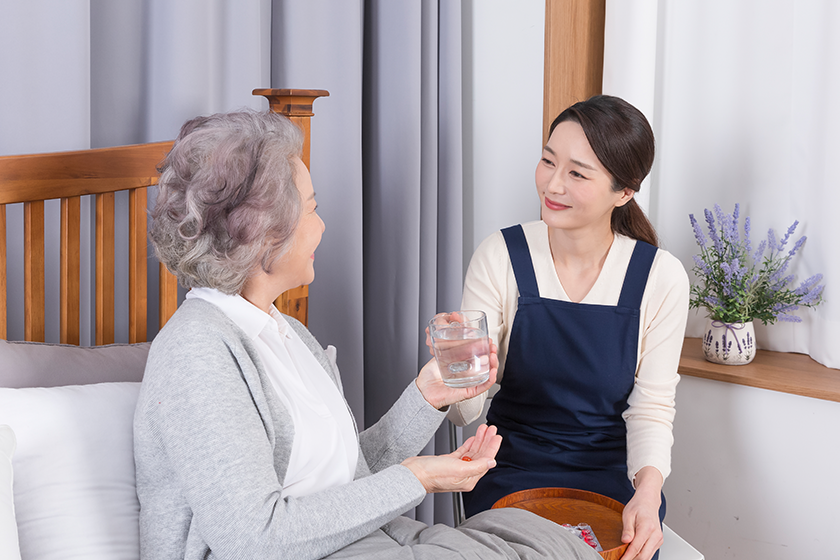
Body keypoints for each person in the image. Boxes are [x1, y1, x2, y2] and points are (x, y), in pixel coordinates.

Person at [134, 109, 601, 560]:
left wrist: (427, 396)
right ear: (263, 232)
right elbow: (255, 540)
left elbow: (345, 481)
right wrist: (418, 478)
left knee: (532, 535)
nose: (322, 226)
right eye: (312, 209)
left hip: (366, 543)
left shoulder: (285, 332)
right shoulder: (196, 351)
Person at [449, 95, 690, 560]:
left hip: (612, 474)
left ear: (624, 192)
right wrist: (461, 370)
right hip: (507, 466)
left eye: (577, 173)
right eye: (547, 161)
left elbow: (652, 409)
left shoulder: (660, 278)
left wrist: (648, 492)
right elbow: (465, 413)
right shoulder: (501, 256)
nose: (552, 184)